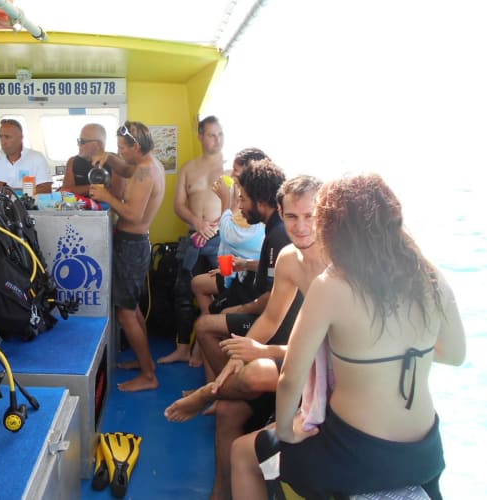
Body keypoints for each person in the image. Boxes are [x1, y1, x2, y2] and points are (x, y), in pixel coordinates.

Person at [230, 174, 466, 500]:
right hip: (424, 457)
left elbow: (290, 379)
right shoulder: (429, 273)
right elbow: (455, 354)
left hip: (355, 458)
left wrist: (287, 431)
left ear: (332, 226)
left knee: (243, 454)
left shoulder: (332, 285)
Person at [165, 175, 325, 499]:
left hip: (320, 372)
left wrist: (260, 351)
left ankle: (207, 393)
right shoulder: (290, 258)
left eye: (311, 216)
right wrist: (237, 359)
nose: (301, 226)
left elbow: (327, 349)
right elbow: (270, 317)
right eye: (292, 216)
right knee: (228, 410)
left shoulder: (339, 265)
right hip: (293, 357)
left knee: (257, 373)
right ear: (281, 210)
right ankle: (220, 492)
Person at [88, 121, 165, 392]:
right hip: (133, 244)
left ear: (136, 146)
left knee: (125, 314)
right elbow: (124, 167)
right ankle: (147, 364)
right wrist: (108, 156)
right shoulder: (146, 164)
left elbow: (133, 214)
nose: (120, 152)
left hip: (131, 246)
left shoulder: (146, 173)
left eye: (122, 148)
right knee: (132, 309)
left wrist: (106, 194)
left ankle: (148, 376)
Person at [188, 148, 268, 362]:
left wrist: (225, 202)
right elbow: (227, 238)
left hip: (248, 280)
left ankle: (205, 347)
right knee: (197, 283)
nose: (232, 176)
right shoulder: (240, 196)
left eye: (237, 171)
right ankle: (204, 344)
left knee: (210, 322)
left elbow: (233, 235)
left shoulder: (259, 205)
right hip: (235, 270)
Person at [159, 116, 226, 366]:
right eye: (211, 135)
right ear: (200, 136)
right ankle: (183, 348)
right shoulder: (189, 168)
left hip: (221, 239)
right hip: (194, 237)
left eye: (220, 134)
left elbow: (238, 205)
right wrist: (198, 224)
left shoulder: (230, 167)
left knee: (223, 292)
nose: (216, 140)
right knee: (183, 294)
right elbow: (178, 205)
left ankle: (209, 349)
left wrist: (214, 226)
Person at [0, 119, 53, 194]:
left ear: (21, 137)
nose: (3, 142)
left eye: (7, 137)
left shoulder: (36, 158)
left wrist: (12, 192)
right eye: (1, 137)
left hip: (26, 209)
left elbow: (46, 189)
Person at [61, 123, 123, 198]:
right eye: (79, 141)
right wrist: (98, 187)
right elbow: (65, 192)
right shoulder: (72, 162)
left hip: (106, 208)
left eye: (82, 141)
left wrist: (79, 190)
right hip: (79, 208)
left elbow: (116, 194)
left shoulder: (115, 161)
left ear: (98, 144)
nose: (79, 145)